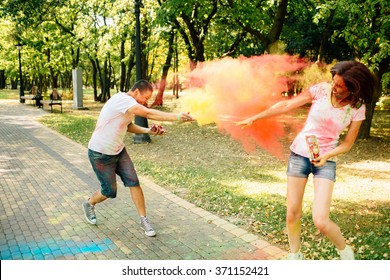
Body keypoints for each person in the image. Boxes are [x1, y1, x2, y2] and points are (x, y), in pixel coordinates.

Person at [236, 61, 377, 260]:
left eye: (339, 86)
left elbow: (347, 144)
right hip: (299, 156)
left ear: (354, 89)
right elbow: (286, 105)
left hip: (325, 161)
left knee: (321, 220)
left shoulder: (357, 108)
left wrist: (327, 155)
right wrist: (255, 118)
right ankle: (295, 256)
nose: (333, 87)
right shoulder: (320, 90)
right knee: (292, 213)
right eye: (333, 82)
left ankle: (345, 252)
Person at [82, 80, 194, 237]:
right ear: (136, 92)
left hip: (118, 151)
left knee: (134, 182)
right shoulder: (122, 99)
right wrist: (176, 117)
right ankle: (89, 203)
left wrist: (149, 131)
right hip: (100, 153)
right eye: (145, 98)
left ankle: (144, 220)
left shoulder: (129, 106)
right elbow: (147, 113)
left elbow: (128, 126)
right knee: (109, 191)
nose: (146, 102)